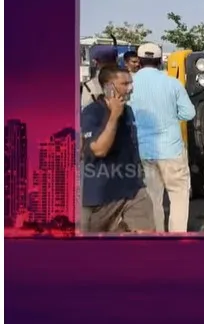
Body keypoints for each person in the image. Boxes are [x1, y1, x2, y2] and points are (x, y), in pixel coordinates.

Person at [129, 42, 196, 232]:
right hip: (171, 149)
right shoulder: (172, 83)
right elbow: (189, 113)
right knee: (178, 197)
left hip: (143, 151)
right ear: (160, 61)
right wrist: (171, 117)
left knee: (152, 199)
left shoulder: (129, 84)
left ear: (139, 62)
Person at [81, 66, 155, 233]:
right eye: (125, 83)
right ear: (108, 87)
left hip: (133, 189)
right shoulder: (92, 113)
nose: (131, 88)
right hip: (102, 193)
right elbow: (99, 150)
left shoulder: (128, 110)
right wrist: (114, 115)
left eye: (131, 83)